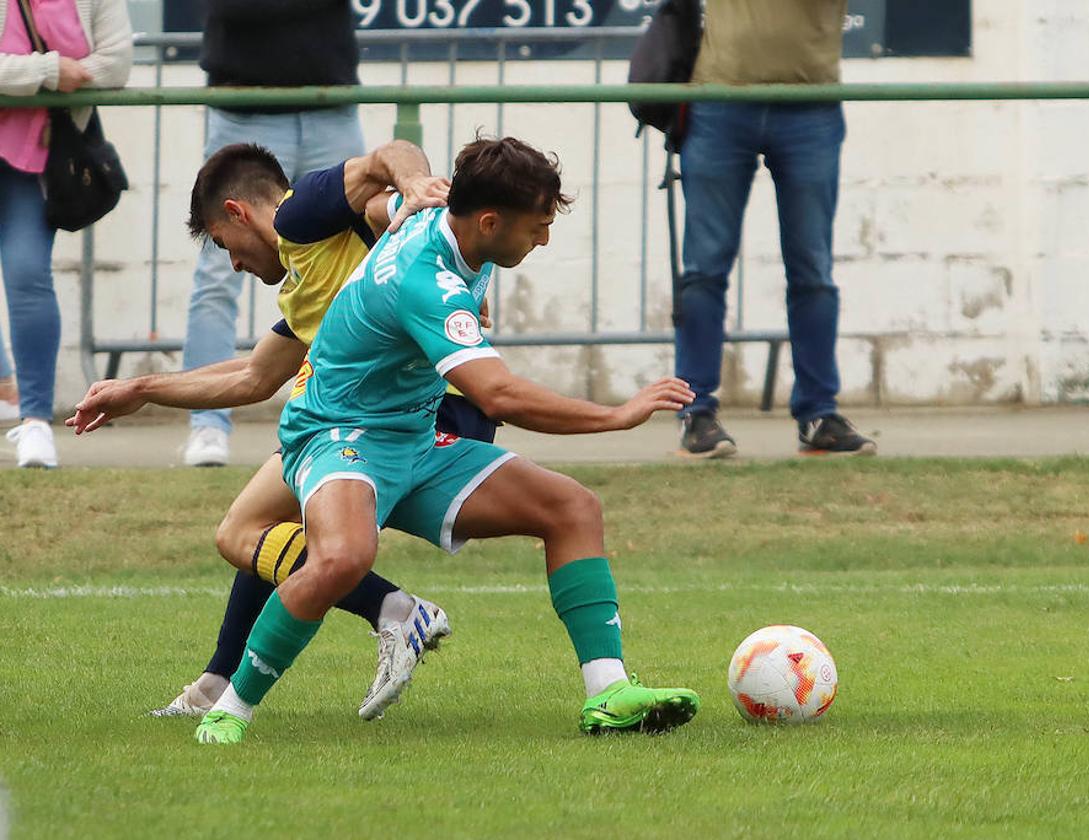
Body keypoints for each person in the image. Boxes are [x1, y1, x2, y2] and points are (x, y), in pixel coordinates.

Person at [191, 137, 702, 745]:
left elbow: (401, 174)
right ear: (489, 222)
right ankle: (232, 706)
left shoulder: (453, 226)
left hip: (413, 437)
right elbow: (499, 395)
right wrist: (616, 415)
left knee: (572, 508)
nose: (544, 240)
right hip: (335, 435)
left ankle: (610, 692)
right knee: (343, 559)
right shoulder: (425, 280)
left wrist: (416, 186)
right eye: (537, 228)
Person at [70, 139, 491, 722]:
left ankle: (390, 612)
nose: (235, 265)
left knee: (254, 525)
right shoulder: (305, 281)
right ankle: (221, 681)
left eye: (225, 245)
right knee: (254, 527)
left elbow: (387, 159)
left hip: (419, 412)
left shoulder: (302, 216)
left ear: (239, 212)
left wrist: (416, 190)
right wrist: (138, 391)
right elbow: (253, 375)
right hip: (395, 413)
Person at [674, 0, 876, 458]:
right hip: (721, 100)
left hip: (809, 103)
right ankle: (696, 411)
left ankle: (819, 412)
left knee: (813, 270)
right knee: (705, 268)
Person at [181, 0, 366, 468]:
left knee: (366, 265)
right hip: (244, 106)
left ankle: (362, 411)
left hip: (331, 104)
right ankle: (207, 426)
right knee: (218, 276)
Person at [0, 0, 132, 466]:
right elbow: (66, 72)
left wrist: (29, 75)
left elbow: (116, 64)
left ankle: (35, 421)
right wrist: (52, 71)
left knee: (27, 275)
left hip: (39, 158)